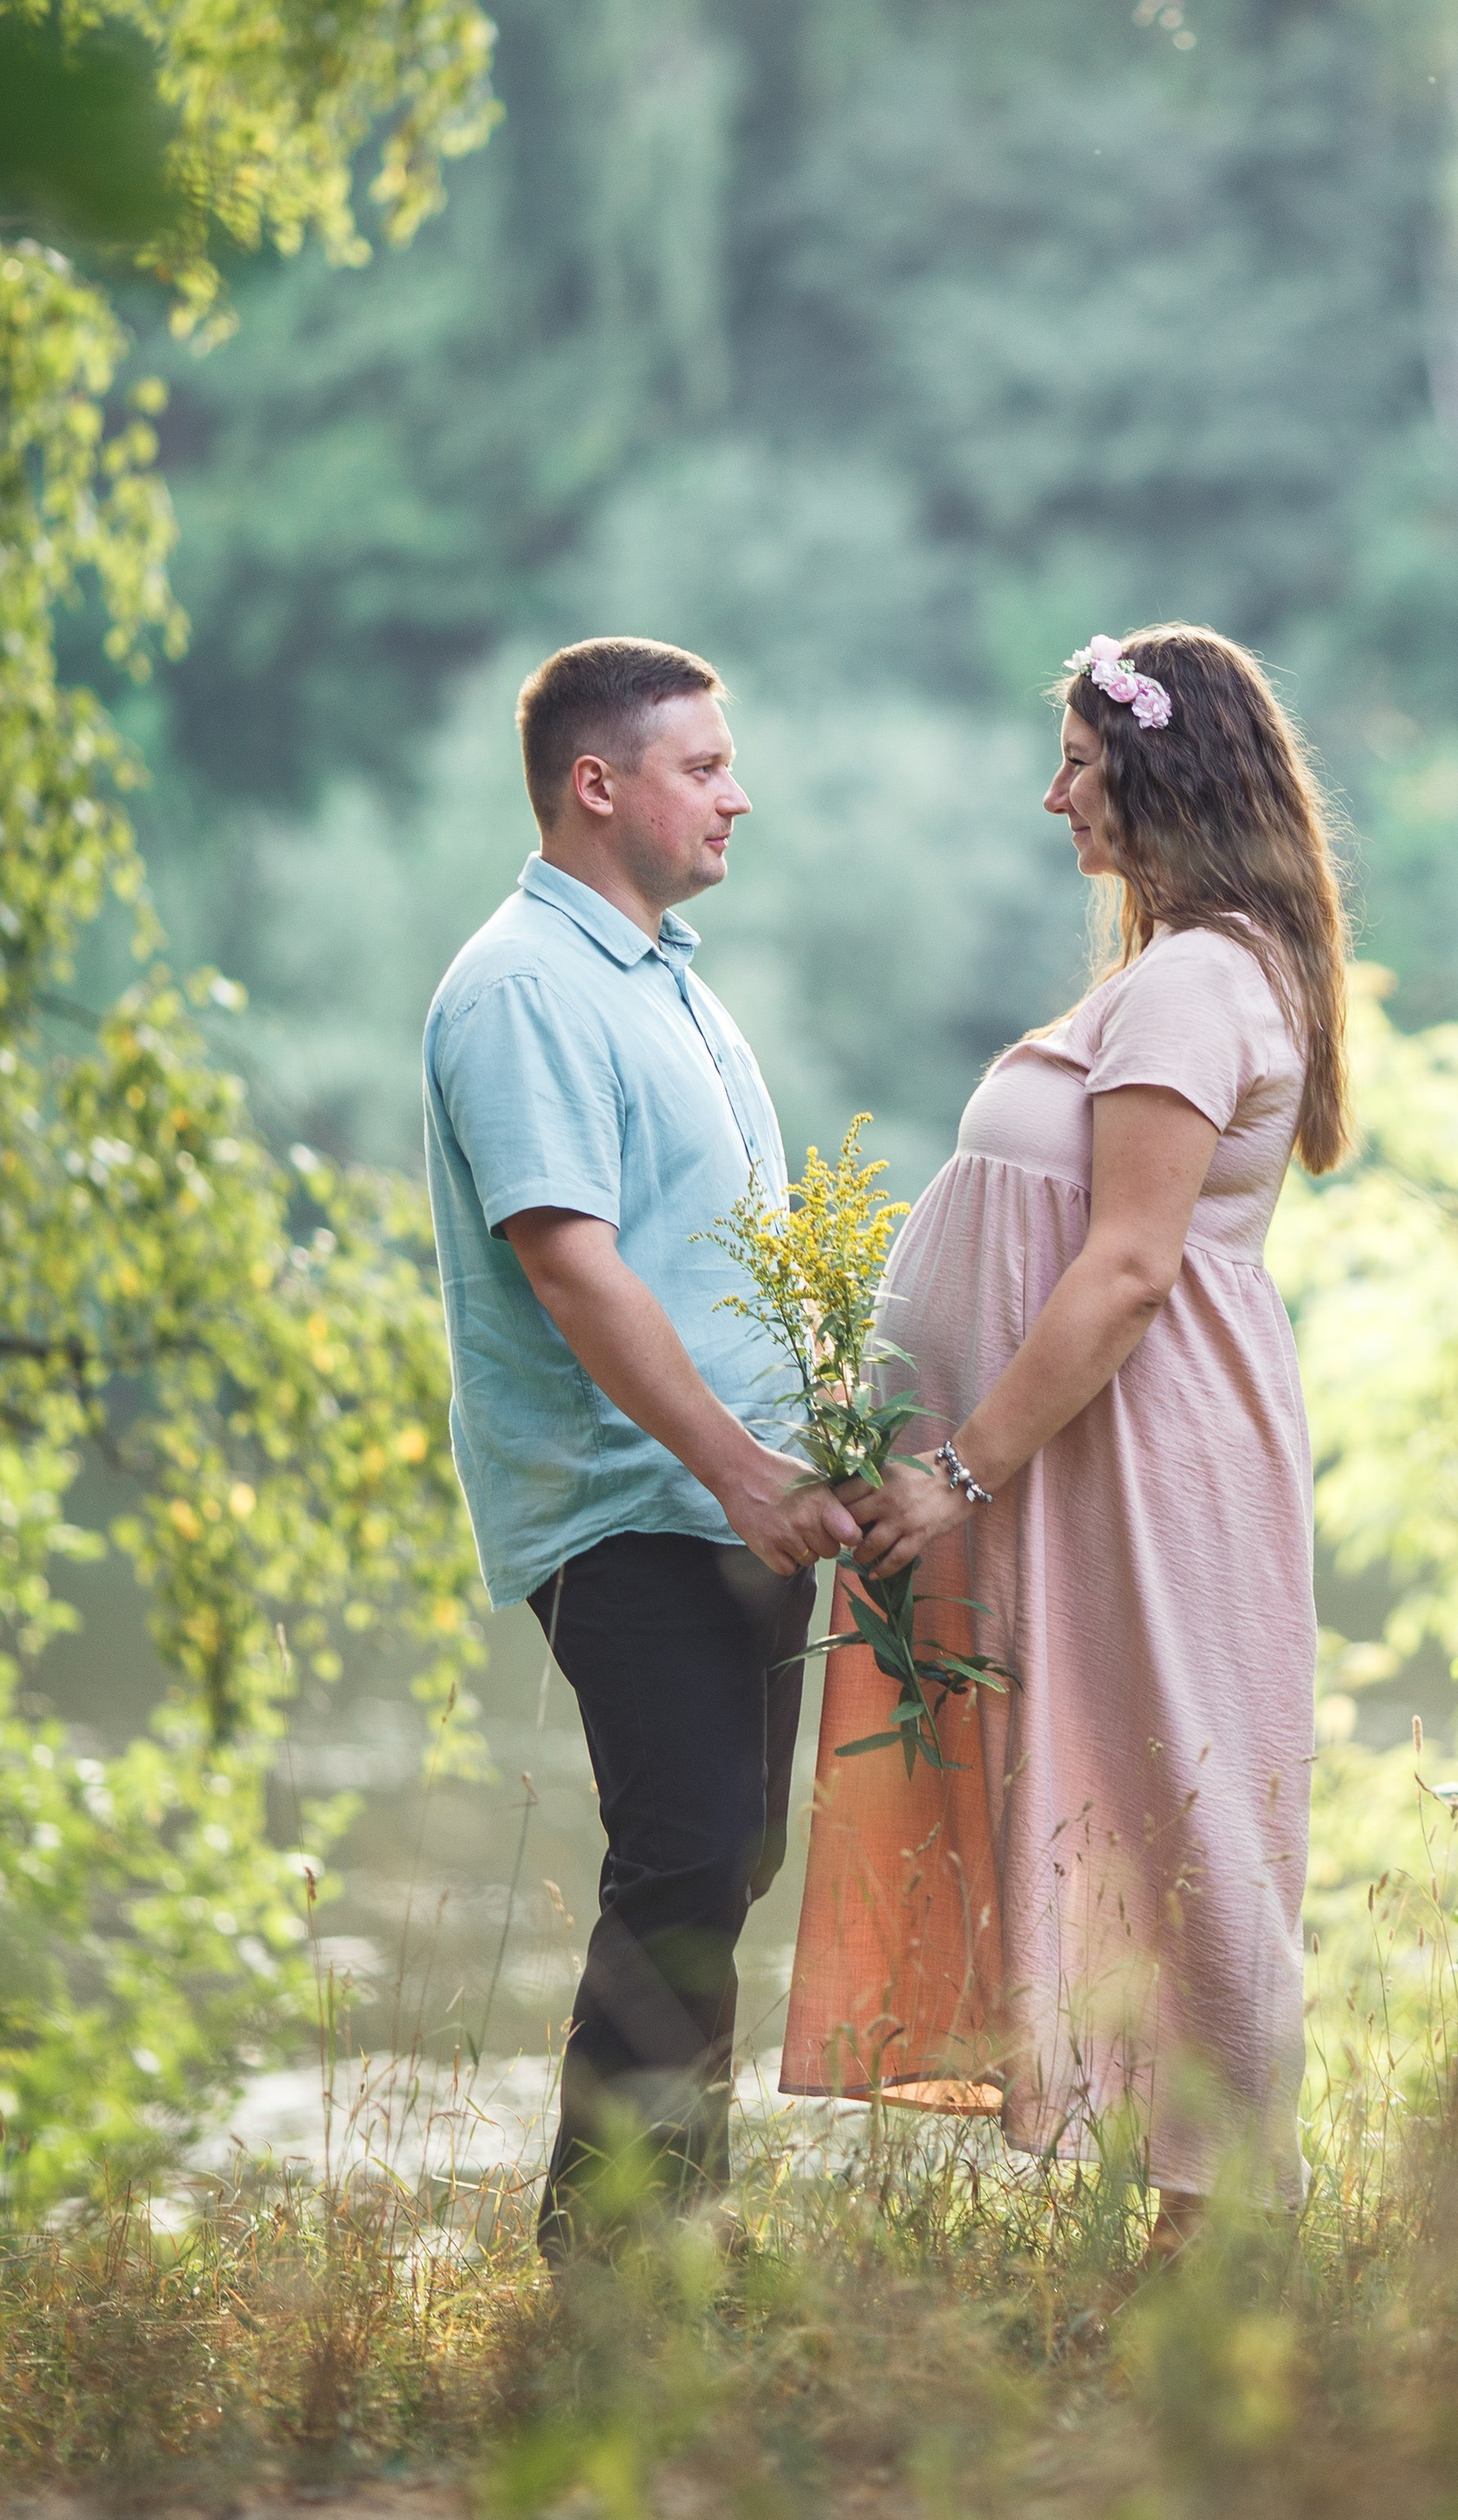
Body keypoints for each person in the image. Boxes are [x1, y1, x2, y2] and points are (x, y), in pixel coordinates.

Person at [780, 623, 1349, 2244]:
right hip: (1098, 1465)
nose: (1057, 799)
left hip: (1132, 1467)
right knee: (1132, 1790)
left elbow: (1122, 1269)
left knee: (1186, 1808)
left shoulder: (1191, 983)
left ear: (1161, 773)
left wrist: (960, 1471)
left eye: (1083, 768)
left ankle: (1226, 2232)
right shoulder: (1193, 973)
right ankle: (1188, 2227)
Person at [422, 636, 855, 2256]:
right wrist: (744, 1471)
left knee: (722, 1862)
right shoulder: (526, 987)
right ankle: (607, 2265)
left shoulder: (660, 974)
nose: (738, 796)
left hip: (732, 1508)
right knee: (682, 1852)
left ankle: (676, 2237)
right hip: (635, 1507)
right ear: (597, 786)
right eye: (702, 766)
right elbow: (569, 1257)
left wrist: (810, 1449)